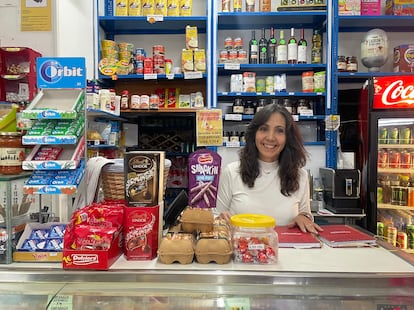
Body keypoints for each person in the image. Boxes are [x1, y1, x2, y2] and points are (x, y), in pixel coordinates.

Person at [216, 103, 322, 234]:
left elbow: (305, 214)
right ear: (254, 134)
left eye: (279, 130)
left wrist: (303, 217)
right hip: (242, 251)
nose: (270, 137)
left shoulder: (300, 176)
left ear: (288, 138)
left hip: (287, 252)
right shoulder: (232, 172)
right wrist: (220, 219)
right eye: (264, 129)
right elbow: (217, 217)